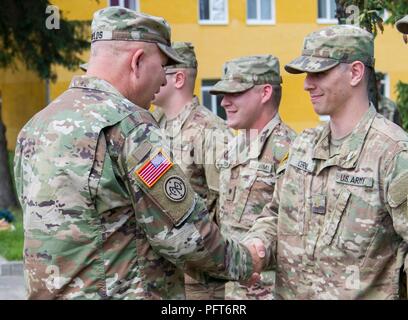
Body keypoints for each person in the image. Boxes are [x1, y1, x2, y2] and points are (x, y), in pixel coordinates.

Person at [13, 6, 261, 300]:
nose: (164, 81)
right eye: (162, 67)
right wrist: (247, 261)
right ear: (138, 61)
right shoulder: (130, 126)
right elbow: (184, 234)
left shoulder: (36, 126)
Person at [244, 25, 408, 299]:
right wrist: (256, 246)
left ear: (355, 73)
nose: (308, 83)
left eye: (319, 72)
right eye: (307, 74)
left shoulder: (393, 153)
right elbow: (275, 216)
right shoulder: (303, 146)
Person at [209, 55, 296, 299]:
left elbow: (293, 228)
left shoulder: (289, 149)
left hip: (269, 290)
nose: (224, 102)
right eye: (223, 95)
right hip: (233, 288)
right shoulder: (231, 148)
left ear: (265, 92)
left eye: (235, 93)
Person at [152, 41, 232, 300]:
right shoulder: (153, 126)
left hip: (199, 279)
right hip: (161, 272)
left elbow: (228, 205)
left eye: (159, 69)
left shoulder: (210, 132)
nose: (150, 75)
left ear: (178, 78)